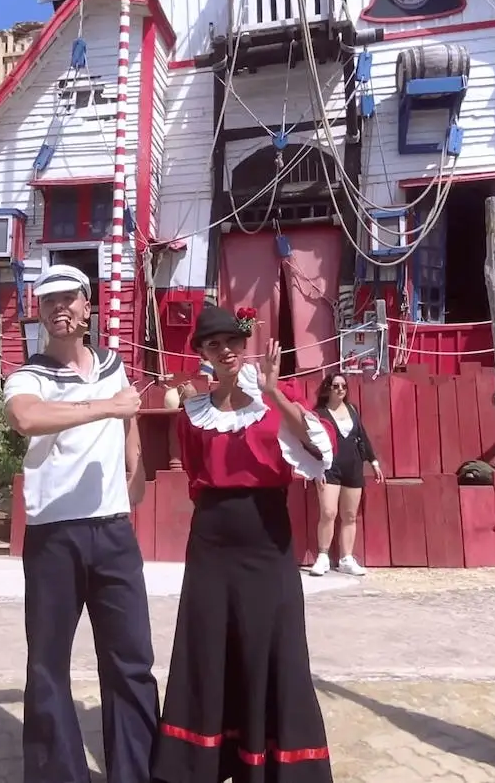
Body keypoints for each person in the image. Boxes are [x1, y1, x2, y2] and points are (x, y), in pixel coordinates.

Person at [152, 304, 337, 783]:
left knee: (271, 644)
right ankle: (204, 763)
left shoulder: (277, 397)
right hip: (211, 540)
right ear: (204, 353)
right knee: (208, 644)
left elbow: (319, 449)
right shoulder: (193, 415)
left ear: (245, 343)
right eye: (214, 344)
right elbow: (195, 474)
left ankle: (269, 764)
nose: (226, 350)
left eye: (232, 341)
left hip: (266, 538)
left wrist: (274, 391)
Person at [3, 264, 160, 783]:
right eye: (49, 302)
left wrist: (135, 473)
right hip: (55, 535)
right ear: (41, 313)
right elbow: (26, 418)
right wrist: (104, 406)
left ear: (87, 305)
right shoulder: (29, 375)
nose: (59, 308)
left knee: (131, 661)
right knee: (48, 664)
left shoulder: (114, 366)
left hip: (113, 531)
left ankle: (136, 772)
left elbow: (130, 424)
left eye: (68, 299)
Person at [312, 372, 383, 577]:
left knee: (350, 515)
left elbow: (362, 436)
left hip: (353, 467)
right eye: (335, 386)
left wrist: (374, 461)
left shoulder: (352, 409)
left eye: (343, 386)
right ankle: (323, 556)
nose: (340, 389)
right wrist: (315, 469)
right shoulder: (319, 413)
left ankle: (346, 558)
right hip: (329, 468)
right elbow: (311, 444)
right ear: (328, 388)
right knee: (328, 512)